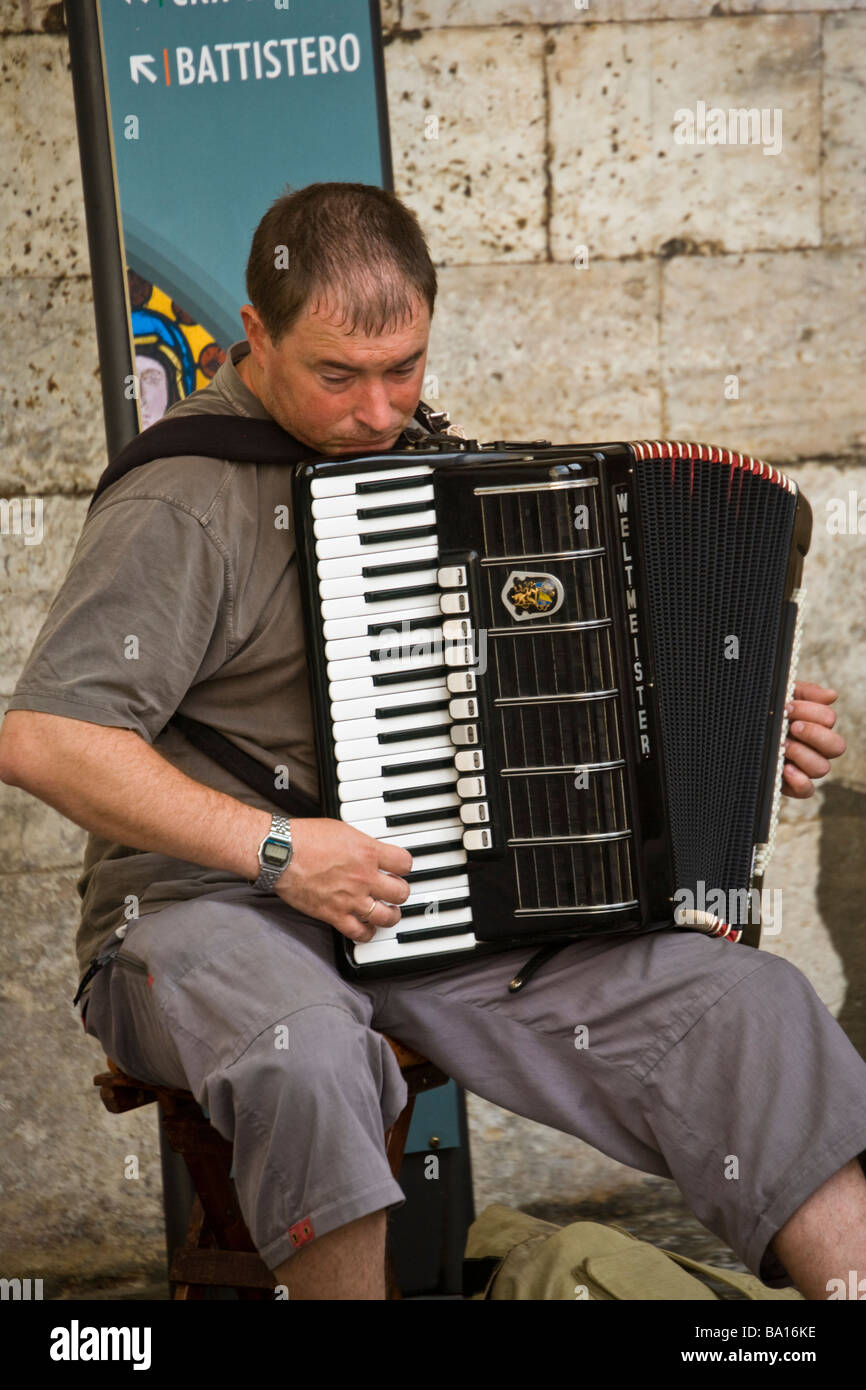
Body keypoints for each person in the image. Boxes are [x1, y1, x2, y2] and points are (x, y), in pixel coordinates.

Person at [0, 183, 863, 1302]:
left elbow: (568, 697)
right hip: (200, 908)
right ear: (253, 337)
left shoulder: (431, 477)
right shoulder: (181, 499)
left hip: (428, 900)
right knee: (303, 1049)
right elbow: (46, 736)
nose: (376, 411)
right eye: (336, 375)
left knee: (751, 1007)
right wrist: (278, 851)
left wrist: (739, 727)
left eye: (400, 368)